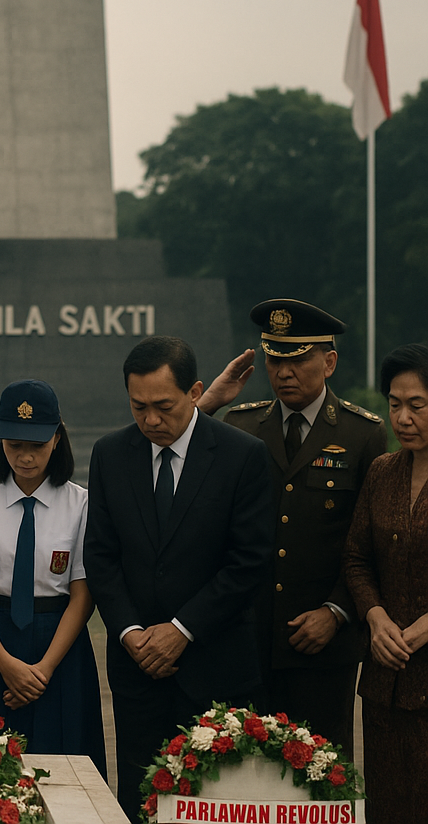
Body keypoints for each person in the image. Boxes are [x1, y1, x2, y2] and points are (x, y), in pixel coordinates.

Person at [83, 336, 273, 818]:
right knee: (139, 802)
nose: (150, 420)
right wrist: (128, 633)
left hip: (216, 668)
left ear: (195, 392)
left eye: (163, 406)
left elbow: (249, 561)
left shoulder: (241, 456)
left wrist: (182, 629)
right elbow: (102, 557)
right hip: (137, 671)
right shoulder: (110, 455)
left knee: (216, 803)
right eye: (138, 406)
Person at [199, 299, 387, 754]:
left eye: (297, 358)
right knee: (244, 780)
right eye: (274, 358)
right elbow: (184, 471)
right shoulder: (240, 425)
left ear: (329, 362)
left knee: (321, 779)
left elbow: (370, 544)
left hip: (323, 645)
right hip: (247, 639)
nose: (283, 371)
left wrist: (338, 612)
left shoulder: (363, 435)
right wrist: (205, 407)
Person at [0, 380, 106, 770]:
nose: (25, 458)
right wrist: (5, 663)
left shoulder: (82, 504)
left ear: (57, 439)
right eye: (14, 445)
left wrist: (45, 668)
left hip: (60, 644)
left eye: (36, 446)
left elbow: (83, 594)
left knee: (65, 763)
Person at [343, 343, 428, 822]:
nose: (402, 417)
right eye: (394, 404)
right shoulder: (382, 472)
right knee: (387, 804)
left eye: (417, 405)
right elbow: (356, 559)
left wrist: (420, 630)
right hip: (384, 683)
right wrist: (375, 619)